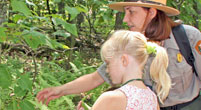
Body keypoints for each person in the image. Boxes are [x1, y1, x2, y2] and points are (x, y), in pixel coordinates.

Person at [37, 0, 201, 109]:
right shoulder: (132, 46)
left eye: (131, 12)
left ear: (151, 12)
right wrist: (60, 90)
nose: (125, 19)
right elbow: (97, 77)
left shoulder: (187, 37)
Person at [80, 30, 165, 110]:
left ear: (124, 60)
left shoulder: (111, 98)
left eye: (108, 63)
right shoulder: (152, 98)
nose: (106, 70)